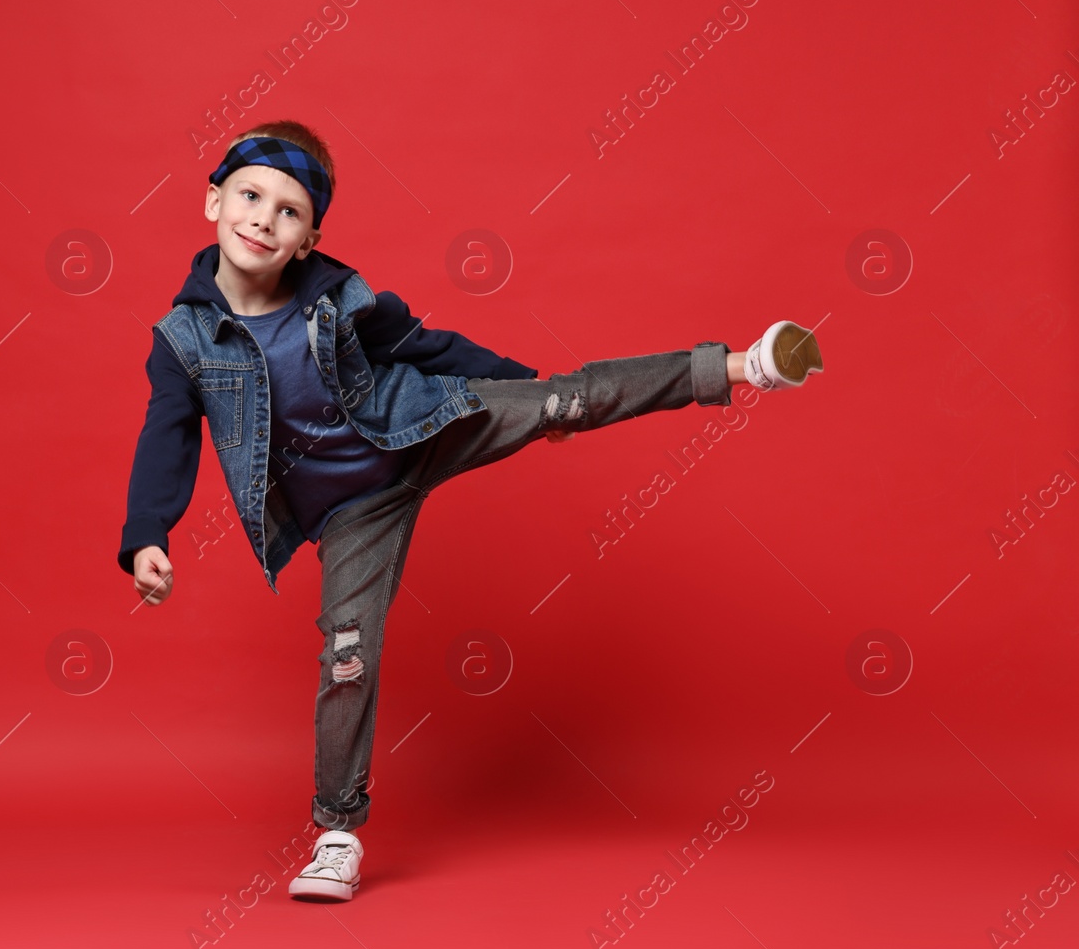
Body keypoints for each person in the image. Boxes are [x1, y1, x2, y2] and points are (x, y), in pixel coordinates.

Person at [116, 120, 823, 903]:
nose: (262, 218)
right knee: (347, 653)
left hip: (422, 423)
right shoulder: (182, 339)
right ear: (212, 200)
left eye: (288, 211)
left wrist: (525, 389)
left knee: (569, 397)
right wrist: (149, 533)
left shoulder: (336, 300)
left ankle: (740, 365)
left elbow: (426, 345)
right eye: (249, 195)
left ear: (310, 237)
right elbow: (167, 434)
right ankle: (336, 832)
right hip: (357, 511)